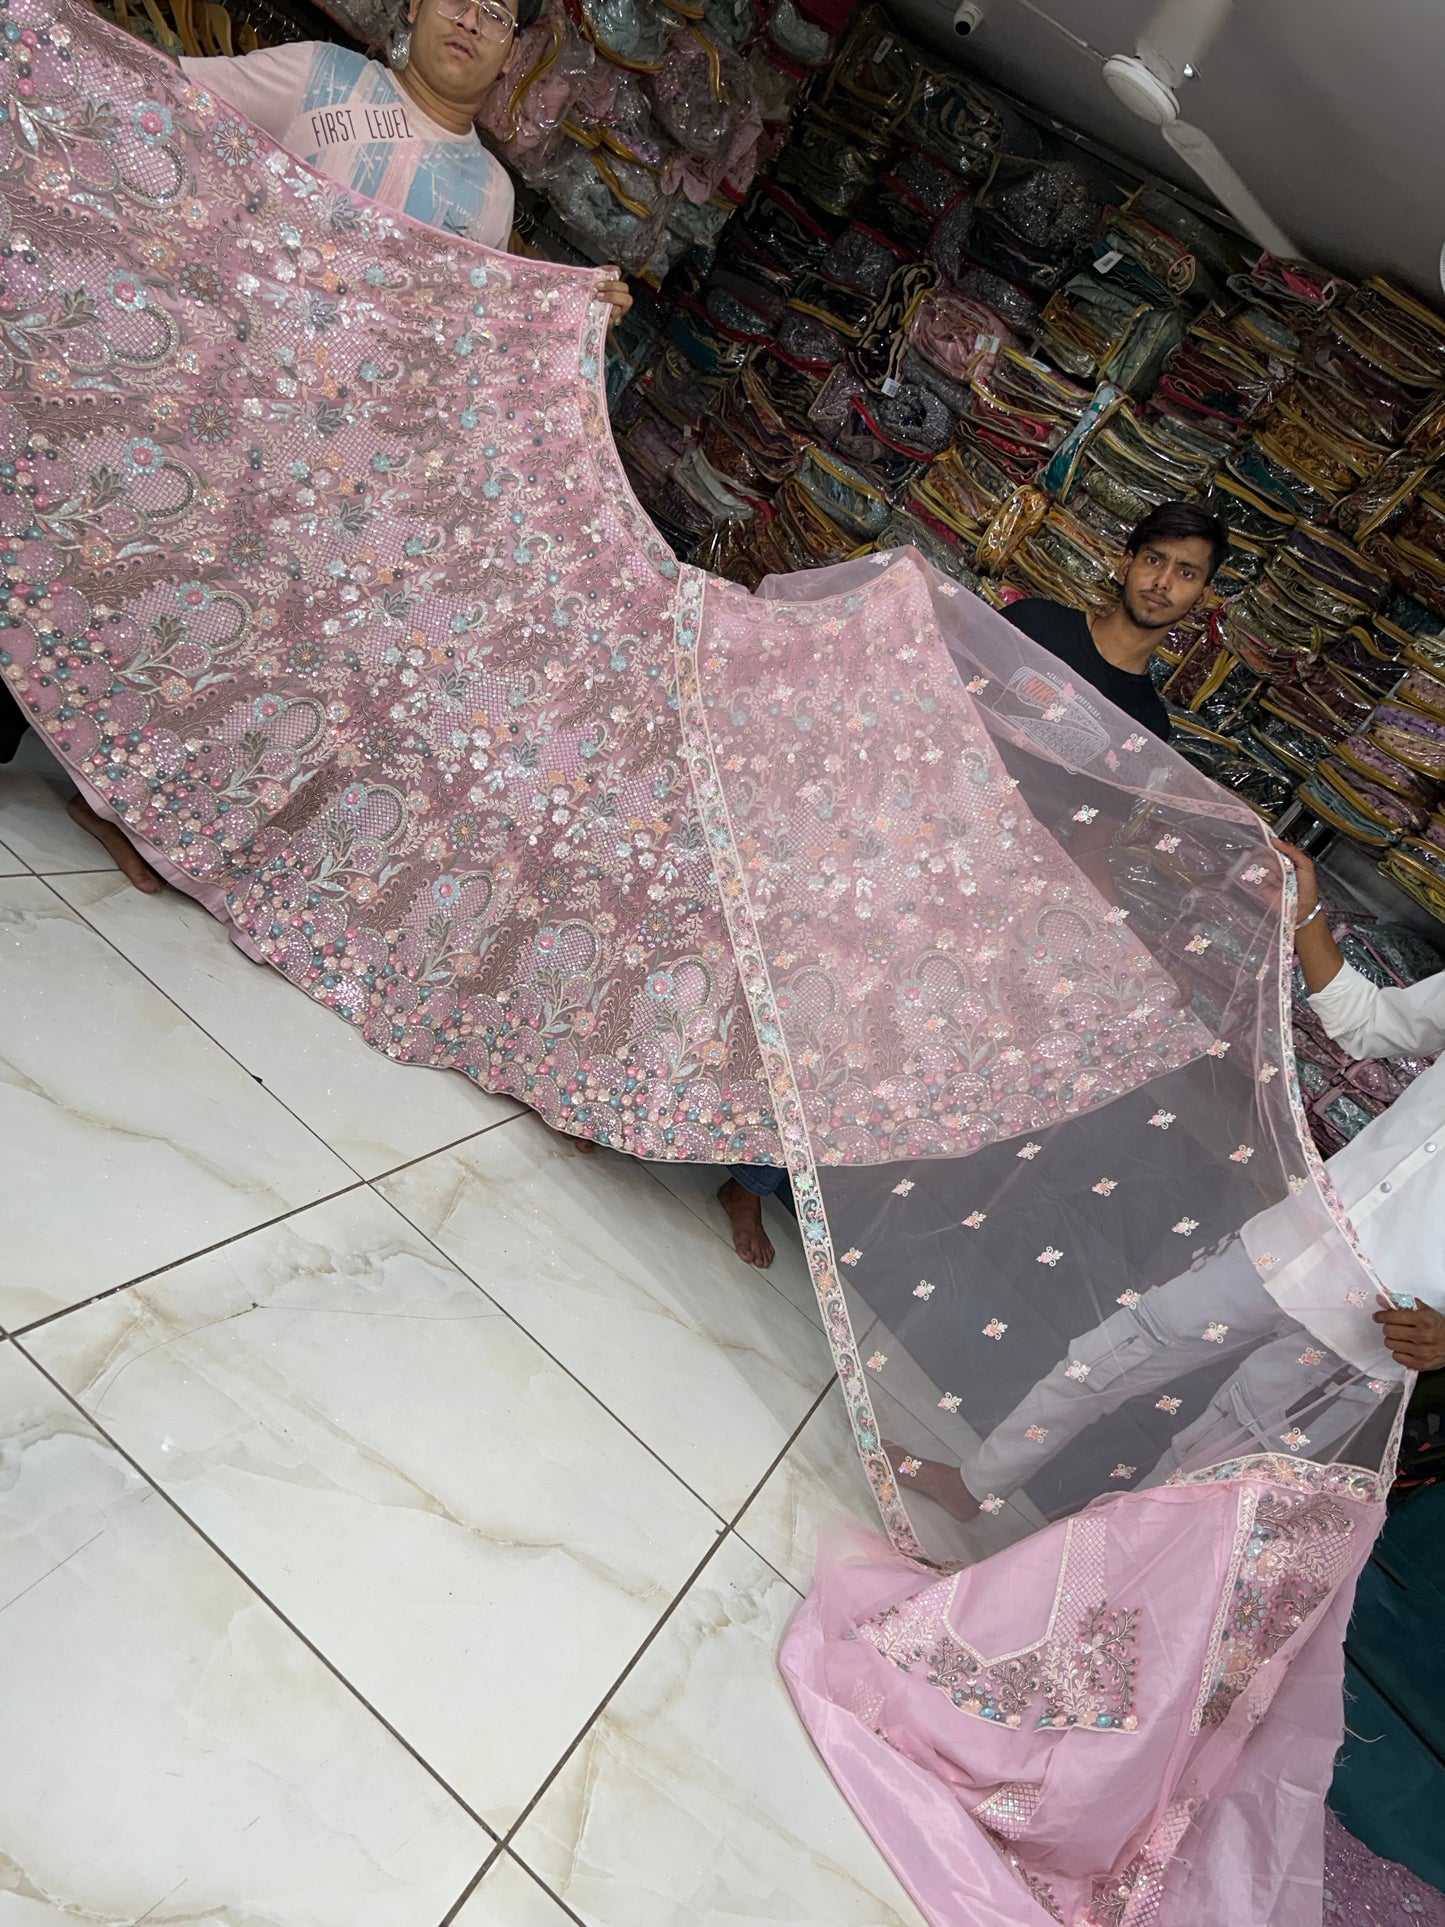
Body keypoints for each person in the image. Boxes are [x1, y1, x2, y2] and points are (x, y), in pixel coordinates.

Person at [0, 0, 631, 893]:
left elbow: (464, 337)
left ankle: (134, 812)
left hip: (337, 471)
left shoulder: (490, 196)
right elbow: (165, 109)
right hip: (214, 394)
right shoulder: (318, 79)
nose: (472, 20)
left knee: (240, 640)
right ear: (414, 7)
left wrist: (567, 319)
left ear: (509, 58)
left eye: (498, 15)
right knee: (106, 551)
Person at [715, 501, 1231, 1271]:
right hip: (895, 834)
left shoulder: (1145, 727)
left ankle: (748, 1177)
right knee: (772, 967)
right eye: (1154, 559)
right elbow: (924, 679)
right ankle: (676, 1104)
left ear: (1202, 598)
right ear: (1125, 559)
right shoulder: (1034, 626)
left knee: (861, 1028)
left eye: (1186, 573)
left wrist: (1119, 946)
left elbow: (1087, 838)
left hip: (978, 899)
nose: (1162, 582)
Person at [895, 837, 1445, 1523]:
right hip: (1300, 1235)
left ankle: (1066, 1604)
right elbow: (1370, 1025)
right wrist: (1306, 920)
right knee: (1106, 1356)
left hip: (1378, 1321)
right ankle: (973, 1484)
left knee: (1199, 1475)